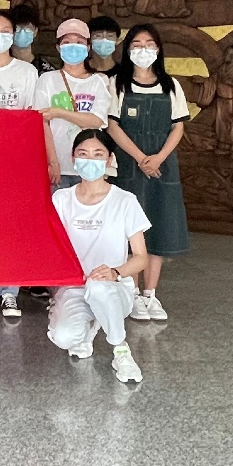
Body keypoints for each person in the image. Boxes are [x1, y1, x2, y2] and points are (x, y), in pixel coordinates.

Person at [0, 9, 60, 319]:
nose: (0, 36)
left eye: (6, 31)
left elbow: (34, 118)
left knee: (14, 227)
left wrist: (49, 159)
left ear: (14, 35)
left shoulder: (27, 72)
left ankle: (10, 293)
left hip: (19, 161)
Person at [47, 129, 149, 384]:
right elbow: (49, 247)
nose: (89, 160)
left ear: (109, 159)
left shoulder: (125, 201)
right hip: (75, 287)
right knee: (64, 337)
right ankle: (89, 327)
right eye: (83, 154)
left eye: (97, 154)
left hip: (114, 287)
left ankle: (121, 350)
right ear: (73, 158)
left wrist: (115, 272)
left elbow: (141, 258)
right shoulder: (61, 199)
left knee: (99, 286)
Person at [107, 23, 191, 322]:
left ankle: (150, 294)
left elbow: (178, 127)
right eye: (137, 44)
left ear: (158, 49)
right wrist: (142, 158)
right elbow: (112, 126)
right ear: (127, 49)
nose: (143, 50)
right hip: (129, 165)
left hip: (162, 166)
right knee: (131, 230)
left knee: (159, 227)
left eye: (149, 44)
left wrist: (158, 159)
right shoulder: (117, 83)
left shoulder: (171, 85)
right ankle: (130, 293)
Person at [35, 18, 111, 189]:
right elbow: (42, 123)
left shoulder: (99, 81)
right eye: (67, 42)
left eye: (79, 42)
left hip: (90, 165)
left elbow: (96, 120)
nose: (73, 46)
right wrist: (53, 162)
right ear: (58, 48)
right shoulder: (47, 79)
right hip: (57, 167)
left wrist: (59, 113)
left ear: (88, 47)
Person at [11, 2, 58, 74]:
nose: (22, 32)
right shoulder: (1, 66)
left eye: (27, 28)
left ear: (35, 31)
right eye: (17, 28)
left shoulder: (46, 71)